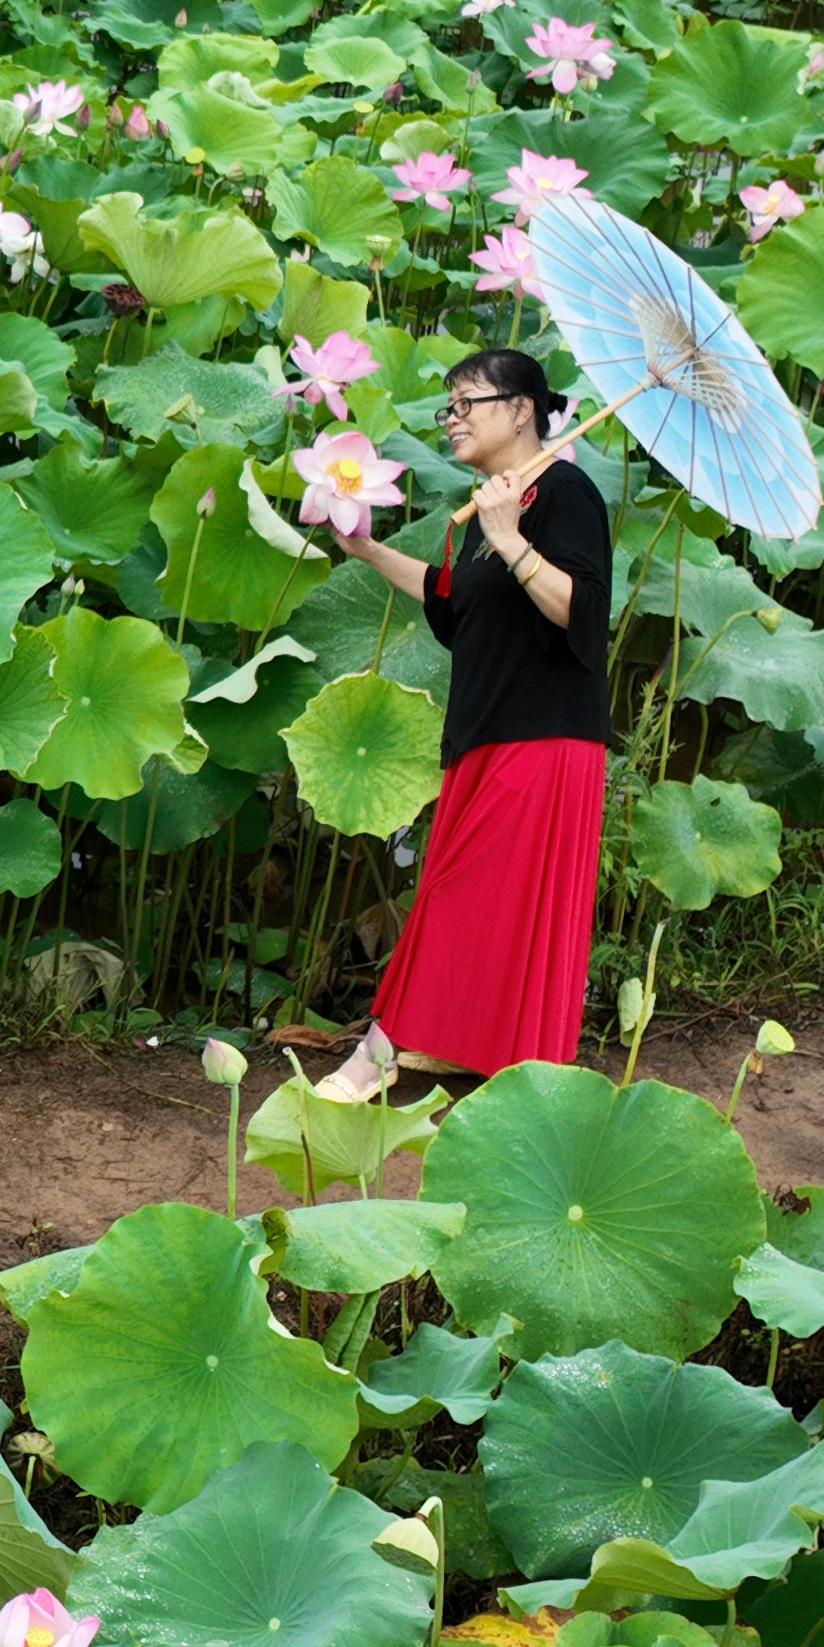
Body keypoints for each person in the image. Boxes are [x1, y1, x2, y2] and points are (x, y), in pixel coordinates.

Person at [311, 345, 613, 1089]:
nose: (451, 420)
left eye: (465, 403)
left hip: (546, 734)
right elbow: (451, 600)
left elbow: (582, 612)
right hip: (484, 727)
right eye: (447, 406)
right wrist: (369, 550)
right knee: (474, 895)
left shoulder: (566, 495)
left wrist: (513, 541)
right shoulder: (485, 506)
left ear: (519, 409)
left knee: (459, 895)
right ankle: (479, 1051)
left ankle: (376, 1056)